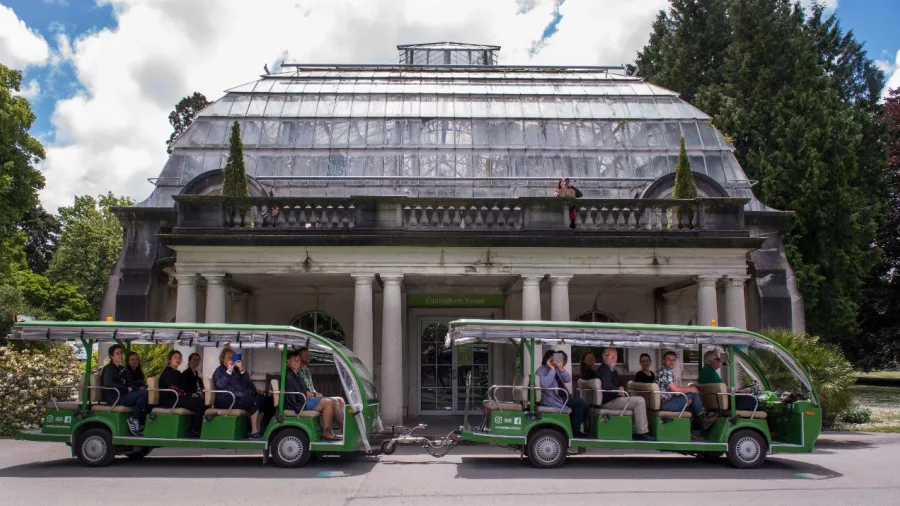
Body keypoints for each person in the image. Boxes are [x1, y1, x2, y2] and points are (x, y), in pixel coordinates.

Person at [594, 348, 653, 440]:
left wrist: (620, 387)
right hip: (608, 401)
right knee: (640, 400)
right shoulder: (605, 370)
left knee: (636, 401)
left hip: (611, 399)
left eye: (615, 356)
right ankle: (641, 432)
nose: (613, 358)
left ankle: (635, 430)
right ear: (604, 357)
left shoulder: (611, 369)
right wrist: (618, 390)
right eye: (610, 356)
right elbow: (606, 386)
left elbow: (619, 381)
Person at [284, 349, 343, 441]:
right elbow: (301, 393)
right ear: (288, 362)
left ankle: (338, 429)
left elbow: (304, 390)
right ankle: (327, 432)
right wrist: (315, 395)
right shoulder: (290, 375)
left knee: (337, 400)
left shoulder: (295, 373)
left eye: (298, 360)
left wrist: (315, 395)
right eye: (294, 360)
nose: (297, 362)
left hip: (300, 400)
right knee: (328, 403)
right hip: (297, 404)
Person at [212, 348, 267, 440]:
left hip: (239, 397)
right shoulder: (219, 370)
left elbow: (247, 383)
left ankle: (260, 428)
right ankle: (254, 432)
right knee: (253, 402)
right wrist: (228, 371)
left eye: (233, 357)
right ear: (223, 359)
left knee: (263, 400)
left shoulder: (236, 370)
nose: (231, 359)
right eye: (229, 357)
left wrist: (242, 370)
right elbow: (220, 385)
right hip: (226, 399)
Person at [657, 351, 718, 431]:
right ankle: (702, 419)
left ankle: (692, 430)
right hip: (666, 404)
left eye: (673, 360)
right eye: (668, 359)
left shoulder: (666, 371)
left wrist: (685, 397)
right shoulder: (666, 371)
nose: (671, 362)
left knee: (691, 407)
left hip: (666, 402)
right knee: (694, 394)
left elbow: (674, 390)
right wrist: (690, 389)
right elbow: (675, 389)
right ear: (663, 360)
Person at [536, 349, 589, 438]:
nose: (556, 360)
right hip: (553, 399)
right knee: (580, 403)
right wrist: (552, 370)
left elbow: (568, 379)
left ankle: (573, 426)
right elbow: (545, 384)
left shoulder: (557, 369)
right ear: (548, 359)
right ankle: (576, 431)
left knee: (585, 405)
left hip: (563, 397)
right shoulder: (541, 370)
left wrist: (561, 368)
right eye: (553, 358)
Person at [100, 344, 149, 436]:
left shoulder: (120, 368)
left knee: (143, 396)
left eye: (121, 353)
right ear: (111, 356)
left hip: (122, 394)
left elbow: (127, 382)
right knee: (144, 394)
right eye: (117, 353)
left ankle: (140, 421)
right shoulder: (109, 369)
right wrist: (126, 388)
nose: (120, 355)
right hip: (114, 397)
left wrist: (139, 384)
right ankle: (134, 419)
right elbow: (108, 384)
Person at [158, 350, 205, 436]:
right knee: (198, 402)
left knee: (199, 400)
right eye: (175, 357)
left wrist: (191, 394)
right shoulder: (169, 373)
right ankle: (196, 429)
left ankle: (196, 428)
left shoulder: (177, 372)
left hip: (176, 398)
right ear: (170, 360)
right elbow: (174, 389)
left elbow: (183, 388)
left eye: (179, 358)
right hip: (170, 400)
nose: (178, 359)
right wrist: (190, 395)